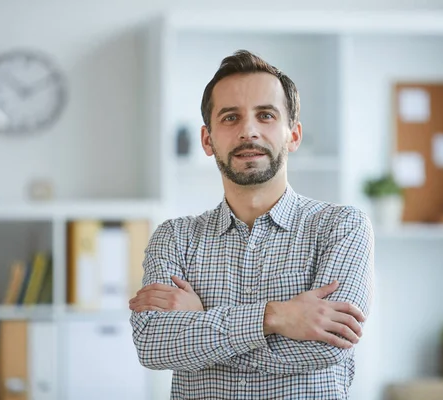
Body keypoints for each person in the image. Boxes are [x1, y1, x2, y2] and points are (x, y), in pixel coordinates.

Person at [128, 49, 375, 399]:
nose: (248, 131)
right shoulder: (174, 237)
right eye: (230, 117)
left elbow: (327, 348)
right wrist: (274, 318)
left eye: (266, 115)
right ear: (207, 140)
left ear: (294, 134)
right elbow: (154, 346)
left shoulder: (342, 227)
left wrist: (203, 325)